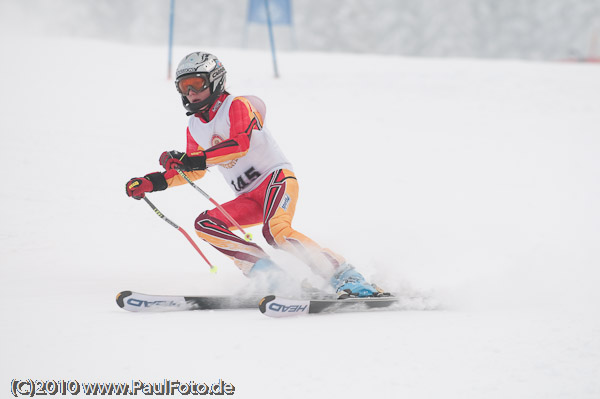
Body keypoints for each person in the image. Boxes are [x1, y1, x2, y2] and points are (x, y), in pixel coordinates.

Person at [125, 52, 384, 298]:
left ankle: (346, 277)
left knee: (276, 231)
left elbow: (239, 144)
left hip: (276, 180)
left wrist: (192, 159)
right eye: (184, 87)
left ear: (214, 81)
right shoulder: (194, 125)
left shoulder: (236, 105)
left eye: (197, 84)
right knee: (206, 224)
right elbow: (196, 171)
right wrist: (154, 182)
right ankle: (272, 278)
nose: (191, 93)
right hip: (248, 197)